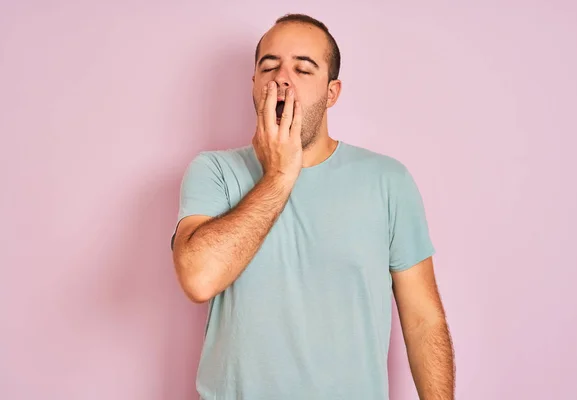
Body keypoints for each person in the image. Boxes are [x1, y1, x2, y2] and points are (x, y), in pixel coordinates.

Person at [171, 13, 455, 400]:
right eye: (268, 66)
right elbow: (199, 278)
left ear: (332, 92)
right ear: (254, 85)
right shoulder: (214, 171)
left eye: (303, 69)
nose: (281, 78)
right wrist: (279, 176)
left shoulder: (388, 181)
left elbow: (424, 321)